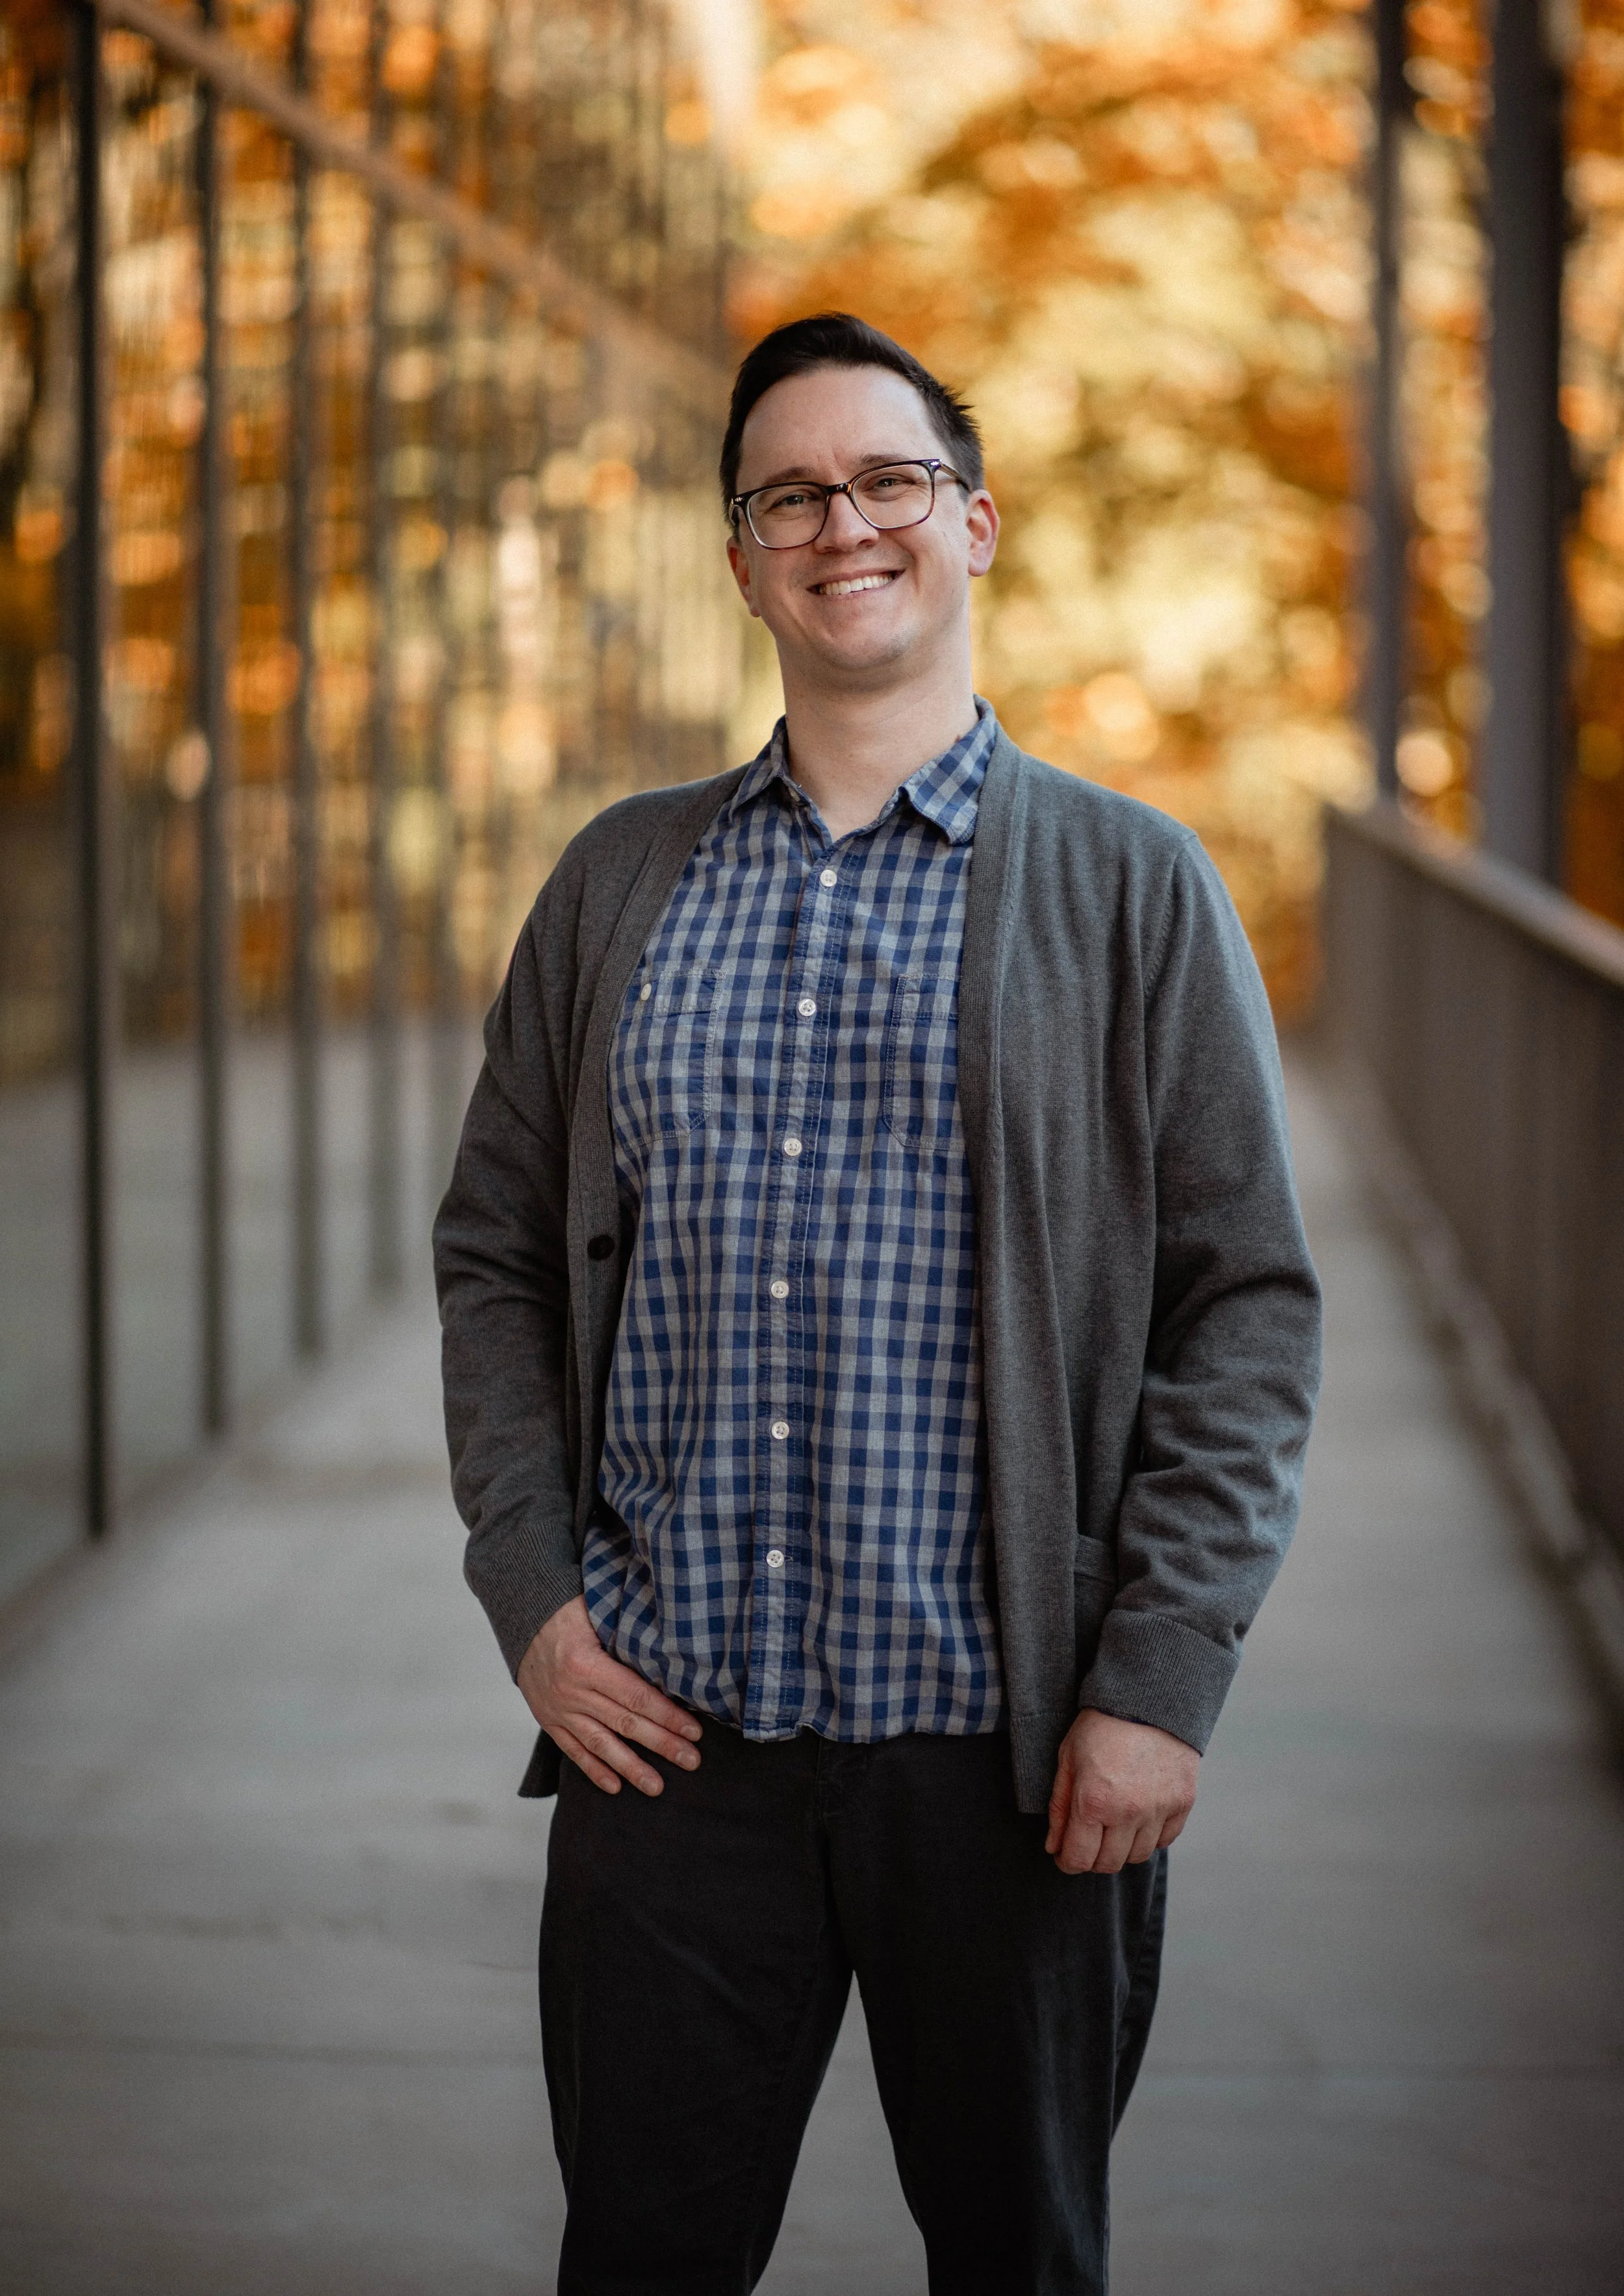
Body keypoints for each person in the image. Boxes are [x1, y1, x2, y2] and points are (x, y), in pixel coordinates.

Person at [433, 310, 1322, 2295]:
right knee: (641, 2260)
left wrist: (1156, 1677)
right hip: (668, 1747)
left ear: (975, 524)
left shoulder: (1130, 889)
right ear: (743, 557)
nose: (845, 521)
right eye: (790, 494)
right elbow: (494, 1247)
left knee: (1017, 2257)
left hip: (1005, 1767)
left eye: (888, 479)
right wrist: (533, 1592)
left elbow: (1243, 1305)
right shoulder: (616, 884)